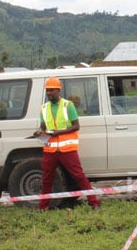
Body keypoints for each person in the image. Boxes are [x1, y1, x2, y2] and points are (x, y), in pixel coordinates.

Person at [33, 77, 101, 211]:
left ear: (58, 90)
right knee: (46, 179)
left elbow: (76, 126)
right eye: (47, 90)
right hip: (50, 150)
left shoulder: (67, 105)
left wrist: (58, 133)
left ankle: (94, 203)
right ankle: (43, 207)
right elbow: (43, 126)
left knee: (79, 176)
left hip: (67, 149)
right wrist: (40, 133)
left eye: (51, 90)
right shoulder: (44, 108)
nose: (49, 93)